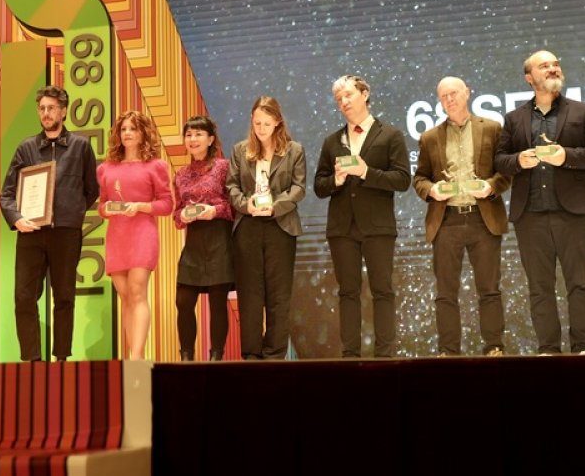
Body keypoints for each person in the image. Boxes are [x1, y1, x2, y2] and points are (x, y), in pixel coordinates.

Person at [494, 51, 585, 354]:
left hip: (573, 213)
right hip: (529, 215)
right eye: (544, 65)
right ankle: (548, 349)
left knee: (580, 282)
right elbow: (499, 161)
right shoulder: (514, 118)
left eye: (556, 63)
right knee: (539, 288)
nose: (553, 68)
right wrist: (518, 159)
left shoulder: (581, 111)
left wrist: (566, 157)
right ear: (529, 78)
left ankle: (583, 347)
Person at [0, 86, 100, 362]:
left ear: (64, 111)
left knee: (64, 296)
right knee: (24, 297)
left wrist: (72, 212)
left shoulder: (80, 146)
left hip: (66, 234)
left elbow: (92, 189)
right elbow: (7, 193)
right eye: (42, 108)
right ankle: (31, 358)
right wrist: (17, 218)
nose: (46, 113)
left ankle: (62, 357)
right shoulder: (26, 147)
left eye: (51, 108)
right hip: (30, 233)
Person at [413, 77, 512, 356]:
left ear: (467, 93)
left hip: (484, 218)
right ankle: (448, 352)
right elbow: (419, 177)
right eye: (443, 96)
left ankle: (494, 347)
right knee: (445, 293)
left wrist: (490, 186)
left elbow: (506, 172)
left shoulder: (492, 128)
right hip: (446, 221)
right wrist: (432, 190)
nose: (449, 99)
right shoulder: (430, 136)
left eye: (454, 93)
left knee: (489, 289)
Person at [314, 76, 410, 358]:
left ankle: (385, 355)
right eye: (339, 99)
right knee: (347, 292)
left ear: (365, 94)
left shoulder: (390, 135)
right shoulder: (332, 140)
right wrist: (337, 179)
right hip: (342, 228)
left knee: (383, 290)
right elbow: (319, 186)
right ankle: (350, 355)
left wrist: (367, 172)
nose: (343, 102)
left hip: (378, 226)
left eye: (348, 95)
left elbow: (403, 179)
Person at [226, 96, 307, 360]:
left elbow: (298, 189)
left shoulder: (294, 150)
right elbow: (232, 187)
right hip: (248, 227)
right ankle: (250, 355)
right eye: (257, 123)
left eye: (266, 123)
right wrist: (245, 204)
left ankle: (274, 355)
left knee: (278, 295)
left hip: (280, 227)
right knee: (250, 294)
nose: (261, 128)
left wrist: (275, 205)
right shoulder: (240, 150)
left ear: (277, 122)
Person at [96, 111, 173, 360]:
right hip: (117, 236)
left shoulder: (156, 166)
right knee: (126, 295)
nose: (127, 133)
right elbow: (102, 205)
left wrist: (140, 206)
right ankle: (133, 352)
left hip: (142, 234)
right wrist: (105, 210)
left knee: (138, 290)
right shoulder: (105, 168)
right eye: (124, 129)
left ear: (143, 134)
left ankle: (137, 357)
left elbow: (167, 204)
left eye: (133, 129)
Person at [171, 116, 235, 361]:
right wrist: (183, 215)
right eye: (188, 135)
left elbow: (234, 206)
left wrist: (214, 211)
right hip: (194, 243)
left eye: (198, 134)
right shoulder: (181, 174)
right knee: (183, 301)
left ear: (210, 139)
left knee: (218, 303)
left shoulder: (223, 167)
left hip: (219, 239)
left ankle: (216, 357)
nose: (193, 139)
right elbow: (176, 214)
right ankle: (186, 357)